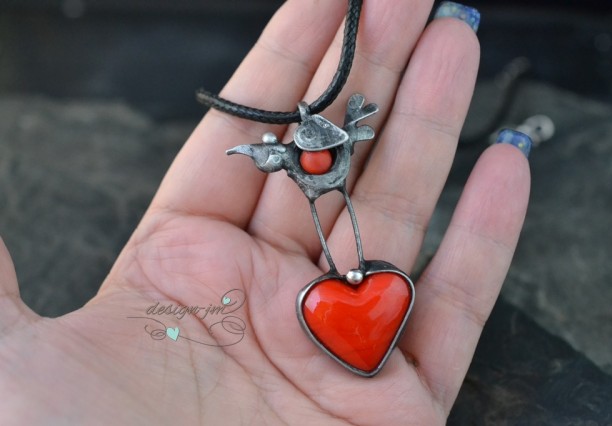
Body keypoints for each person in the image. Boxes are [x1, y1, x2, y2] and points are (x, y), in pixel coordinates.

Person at [0, 1, 530, 424]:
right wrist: (266, 151)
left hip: (335, 199)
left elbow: (340, 147)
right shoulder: (294, 161)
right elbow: (283, 157)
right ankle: (344, 274)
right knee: (336, 225)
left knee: (351, 222)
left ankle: (349, 275)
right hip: (313, 204)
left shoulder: (334, 150)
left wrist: (351, 127)